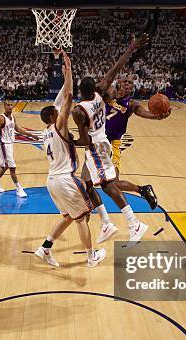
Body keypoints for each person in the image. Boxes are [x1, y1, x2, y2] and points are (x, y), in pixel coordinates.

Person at [72, 34, 150, 243]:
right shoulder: (100, 94)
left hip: (95, 146)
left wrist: (68, 141)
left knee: (107, 185)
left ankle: (135, 224)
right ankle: (106, 223)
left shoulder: (79, 111)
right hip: (101, 141)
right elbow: (115, 69)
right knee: (87, 184)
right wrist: (131, 47)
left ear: (81, 92)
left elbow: (84, 142)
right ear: (94, 89)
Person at [35, 50, 105, 268]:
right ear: (53, 117)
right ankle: (91, 256)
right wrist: (68, 68)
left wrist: (65, 72)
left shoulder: (46, 133)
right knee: (82, 217)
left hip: (52, 182)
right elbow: (68, 97)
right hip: (65, 179)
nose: (60, 112)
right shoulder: (59, 126)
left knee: (68, 216)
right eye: (57, 112)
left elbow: (62, 100)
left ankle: (45, 247)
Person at [105, 76, 170, 207]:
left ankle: (142, 190)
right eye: (125, 81)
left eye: (130, 83)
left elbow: (142, 112)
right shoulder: (110, 93)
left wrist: (156, 117)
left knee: (114, 183)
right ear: (118, 83)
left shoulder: (132, 104)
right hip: (98, 141)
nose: (127, 84)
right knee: (89, 180)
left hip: (113, 143)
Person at [0, 99, 37, 197]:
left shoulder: (12, 117)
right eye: (8, 105)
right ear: (4, 106)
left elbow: (18, 129)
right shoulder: (1, 118)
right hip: (3, 144)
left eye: (11, 105)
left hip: (9, 144)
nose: (10, 107)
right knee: (12, 167)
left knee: (4, 166)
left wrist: (30, 135)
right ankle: (19, 188)